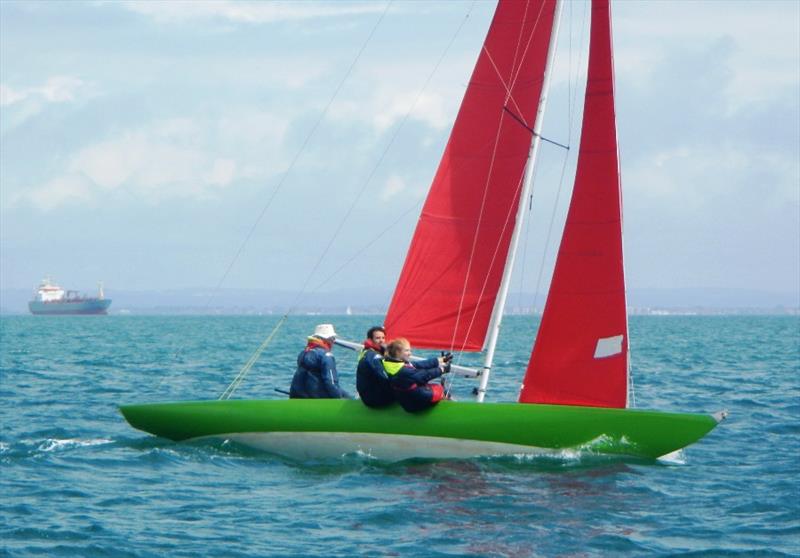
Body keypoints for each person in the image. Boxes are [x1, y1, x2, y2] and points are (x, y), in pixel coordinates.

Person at [383, 337, 453, 413]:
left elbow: (420, 364)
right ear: (397, 352)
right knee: (440, 389)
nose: (410, 353)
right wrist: (442, 370)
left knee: (433, 386)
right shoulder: (404, 371)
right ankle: (447, 407)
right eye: (407, 350)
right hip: (415, 404)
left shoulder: (393, 364)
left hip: (406, 399)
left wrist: (441, 359)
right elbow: (424, 376)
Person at [289, 323, 352, 399]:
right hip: (316, 399)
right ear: (328, 339)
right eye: (333, 339)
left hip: (296, 396)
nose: (333, 342)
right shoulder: (326, 356)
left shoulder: (303, 353)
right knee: (347, 397)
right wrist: (339, 399)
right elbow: (331, 383)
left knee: (345, 394)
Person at [355, 326, 392, 408]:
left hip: (370, 394)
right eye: (378, 338)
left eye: (383, 338)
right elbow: (384, 378)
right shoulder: (373, 356)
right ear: (370, 340)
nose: (381, 340)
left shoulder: (371, 352)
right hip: (374, 399)